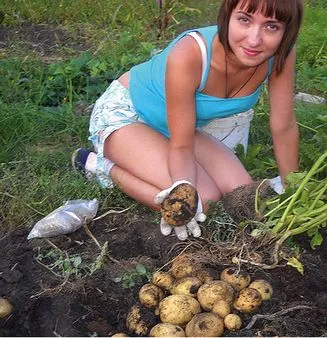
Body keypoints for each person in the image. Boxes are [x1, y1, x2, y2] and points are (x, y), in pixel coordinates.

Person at [72, 0, 304, 240]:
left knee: (244, 193)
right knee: (203, 201)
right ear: (227, 17)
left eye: (271, 26)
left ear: (287, 32)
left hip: (175, 126)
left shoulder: (280, 55)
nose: (254, 39)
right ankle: (99, 166)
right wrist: (183, 187)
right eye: (244, 19)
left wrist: (293, 189)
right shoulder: (191, 53)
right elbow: (182, 146)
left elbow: (283, 125)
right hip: (127, 115)